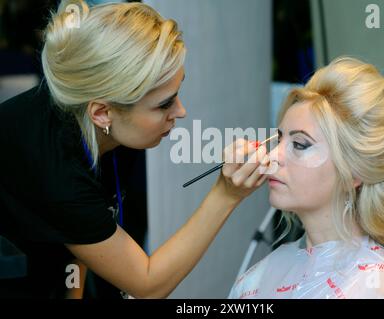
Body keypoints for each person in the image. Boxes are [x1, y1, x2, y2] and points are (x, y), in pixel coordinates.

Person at [0, 0, 268, 298]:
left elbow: (82, 240)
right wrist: (226, 194)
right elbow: (147, 284)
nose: (181, 111)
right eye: (164, 104)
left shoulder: (103, 122)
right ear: (102, 112)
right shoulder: (56, 168)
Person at [229, 57, 384, 299]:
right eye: (279, 139)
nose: (273, 156)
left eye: (300, 144)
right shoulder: (258, 279)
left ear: (354, 171)